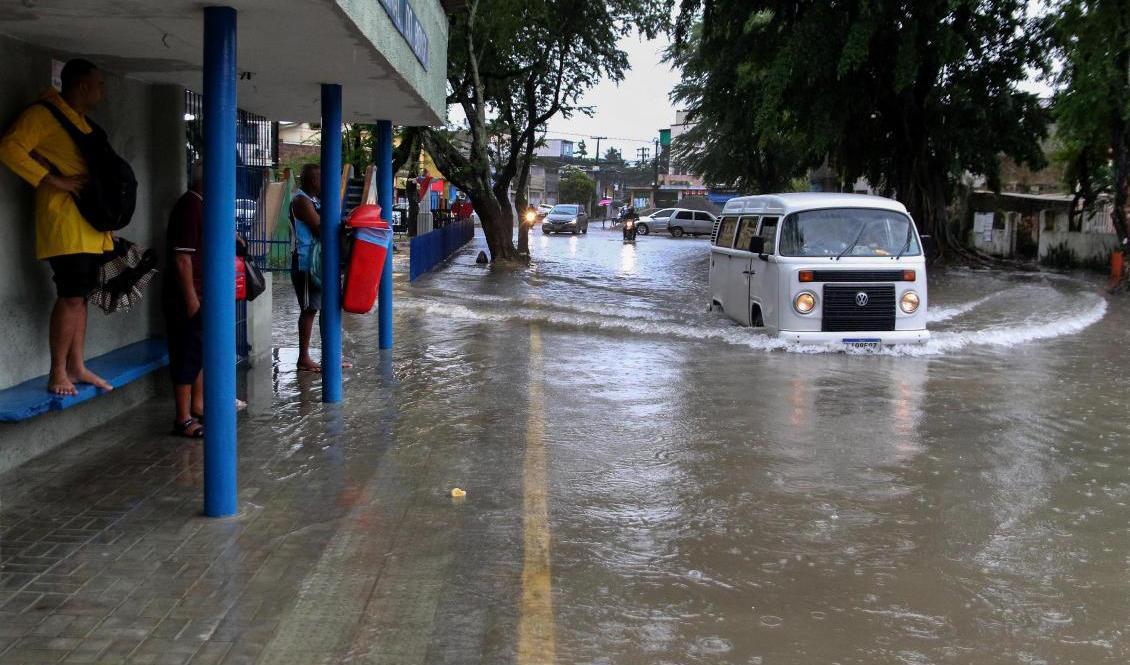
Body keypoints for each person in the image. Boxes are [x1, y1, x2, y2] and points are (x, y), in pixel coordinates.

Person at [0, 58, 114, 396]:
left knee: (82, 297)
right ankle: (57, 372)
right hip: (65, 223)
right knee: (70, 297)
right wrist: (51, 180)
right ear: (81, 86)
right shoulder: (42, 114)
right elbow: (8, 148)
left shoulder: (78, 121)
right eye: (99, 83)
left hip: (89, 225)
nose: (102, 90)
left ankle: (77, 366)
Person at [163, 164, 205, 437]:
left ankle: (198, 406)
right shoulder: (190, 206)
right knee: (186, 353)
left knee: (198, 352)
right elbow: (182, 258)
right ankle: (183, 418)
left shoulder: (201, 206)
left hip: (201, 293)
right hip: (188, 297)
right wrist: (191, 301)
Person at [290, 164, 323, 372]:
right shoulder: (301, 200)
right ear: (313, 181)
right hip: (305, 262)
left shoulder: (314, 200)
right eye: (321, 179)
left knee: (319, 307)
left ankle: (326, 354)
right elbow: (320, 227)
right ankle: (303, 357)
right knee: (309, 309)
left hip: (316, 262)